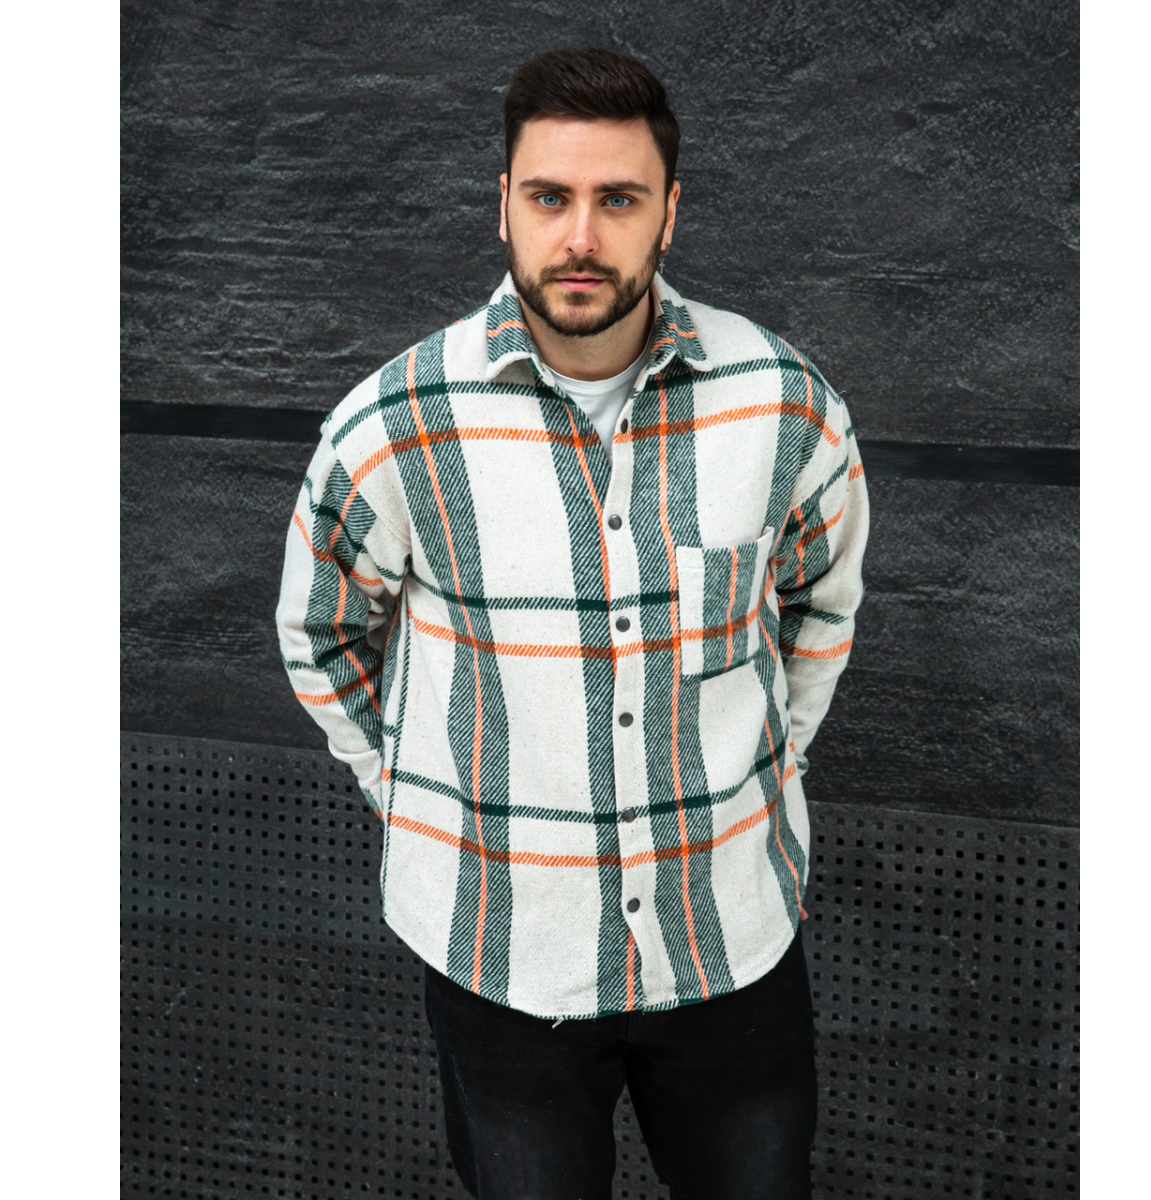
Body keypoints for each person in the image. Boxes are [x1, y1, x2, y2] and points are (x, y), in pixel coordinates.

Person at [276, 46, 868, 1200]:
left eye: (619, 199)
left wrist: (765, 772)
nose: (582, 236)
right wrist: (416, 795)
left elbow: (817, 607)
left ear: (670, 213)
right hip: (501, 954)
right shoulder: (396, 424)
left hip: (731, 939)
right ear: (504, 204)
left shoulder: (785, 405)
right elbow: (320, 632)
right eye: (549, 197)